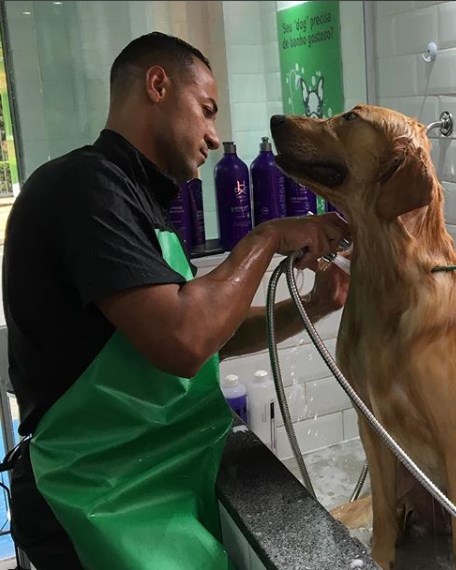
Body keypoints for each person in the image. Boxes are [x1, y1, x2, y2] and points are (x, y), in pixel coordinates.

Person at [2, 32, 350, 570]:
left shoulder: (134, 198)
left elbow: (215, 333)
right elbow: (183, 340)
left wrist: (316, 306)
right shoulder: (86, 188)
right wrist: (267, 237)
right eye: (207, 111)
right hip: (92, 501)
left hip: (145, 484)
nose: (214, 137)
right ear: (158, 84)